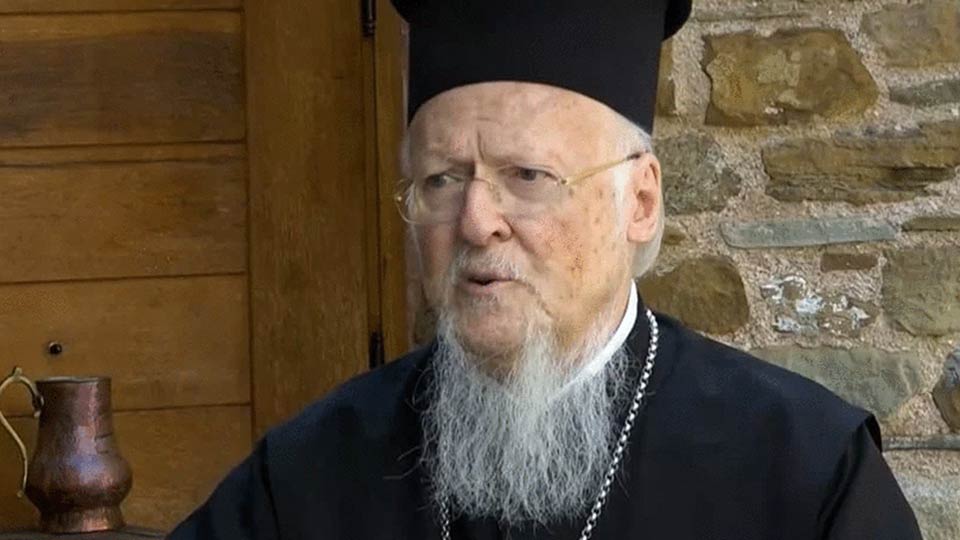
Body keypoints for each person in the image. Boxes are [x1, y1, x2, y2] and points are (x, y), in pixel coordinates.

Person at [168, 0, 922, 538]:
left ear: (640, 202)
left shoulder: (806, 471)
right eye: (442, 180)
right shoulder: (310, 473)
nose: (475, 220)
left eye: (527, 175)